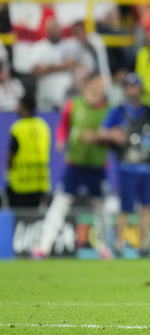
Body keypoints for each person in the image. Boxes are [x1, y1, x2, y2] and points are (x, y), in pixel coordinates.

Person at [32, 73, 112, 260]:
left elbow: (114, 132)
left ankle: (104, 248)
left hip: (97, 165)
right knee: (60, 204)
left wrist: (99, 137)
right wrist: (61, 140)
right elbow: (63, 126)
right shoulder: (74, 104)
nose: (102, 88)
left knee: (100, 208)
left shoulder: (108, 109)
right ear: (89, 84)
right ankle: (44, 246)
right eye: (99, 83)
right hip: (75, 163)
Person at [101, 73, 150, 257]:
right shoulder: (118, 111)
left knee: (147, 207)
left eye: (135, 86)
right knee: (125, 208)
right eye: (129, 86)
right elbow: (104, 132)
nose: (132, 90)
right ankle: (119, 245)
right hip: (126, 165)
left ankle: (144, 246)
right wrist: (116, 136)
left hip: (147, 166)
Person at [4, 95, 51, 208]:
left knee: (18, 219)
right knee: (34, 219)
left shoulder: (18, 128)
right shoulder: (43, 126)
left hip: (20, 183)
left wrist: (8, 169)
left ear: (24, 108)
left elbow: (11, 153)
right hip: (40, 181)